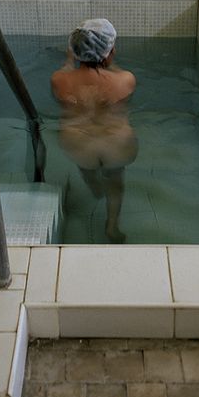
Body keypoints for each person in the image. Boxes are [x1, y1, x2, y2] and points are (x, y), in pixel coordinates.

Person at [51, 19, 138, 243]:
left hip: (78, 143)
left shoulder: (59, 80)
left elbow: (67, 74)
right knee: (116, 181)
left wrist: (72, 60)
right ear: (108, 53)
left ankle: (95, 188)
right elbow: (112, 75)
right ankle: (111, 226)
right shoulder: (126, 80)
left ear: (76, 52)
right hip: (116, 143)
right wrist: (108, 62)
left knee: (86, 167)